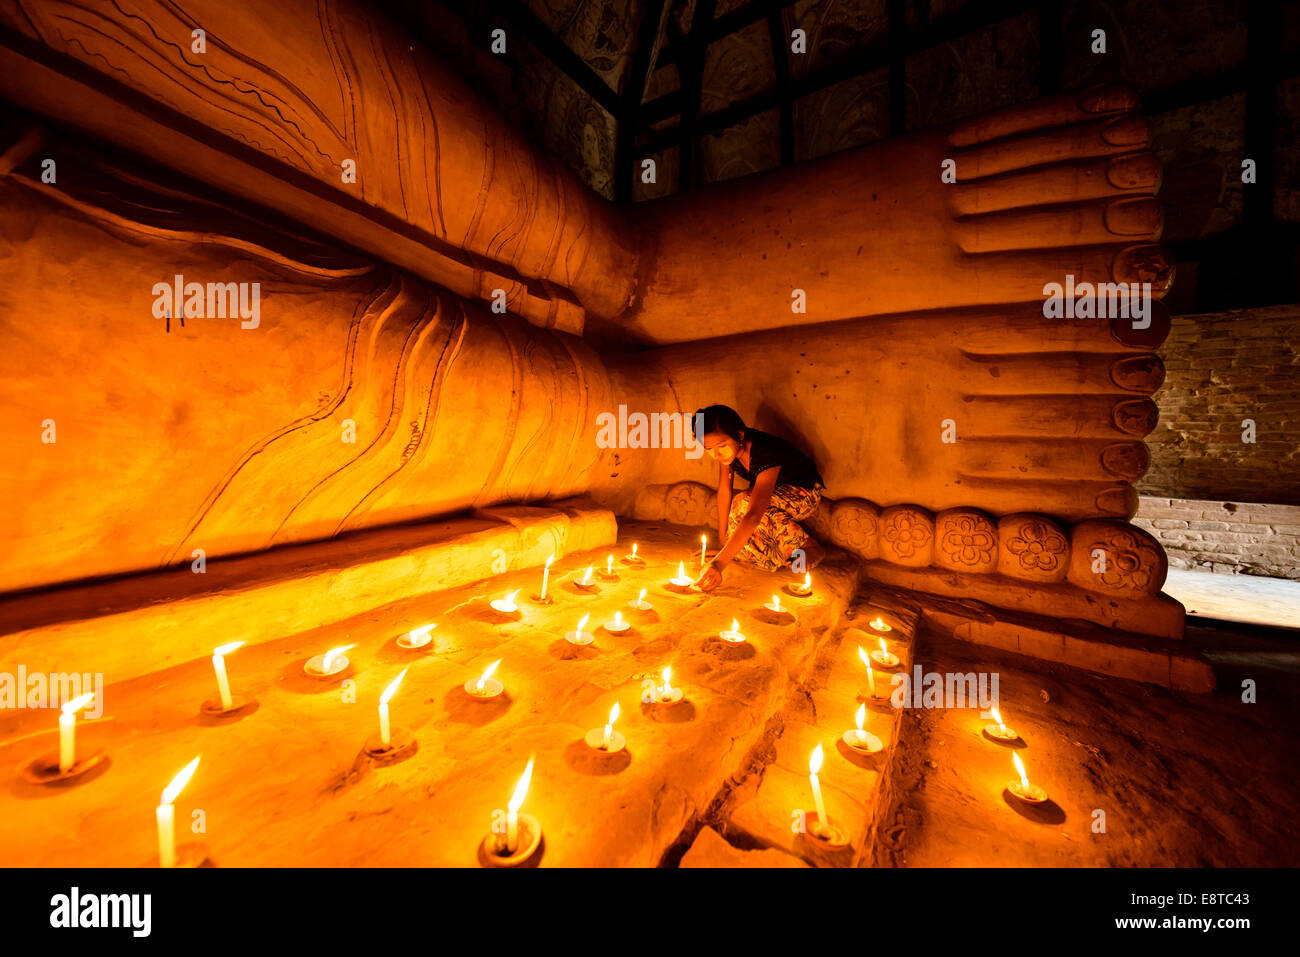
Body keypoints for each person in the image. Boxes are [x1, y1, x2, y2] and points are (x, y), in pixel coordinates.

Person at [693, 405, 826, 592]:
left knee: (745, 501)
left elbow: (754, 514)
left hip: (804, 494)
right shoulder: (729, 455)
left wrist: (719, 564)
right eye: (709, 448)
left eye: (721, 446)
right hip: (773, 495)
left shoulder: (764, 452)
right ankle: (781, 552)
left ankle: (808, 545)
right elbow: (724, 491)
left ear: (739, 436)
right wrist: (724, 544)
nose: (716, 454)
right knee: (742, 541)